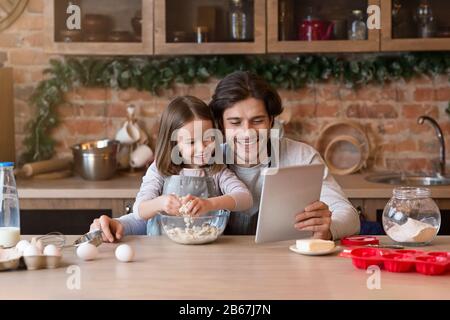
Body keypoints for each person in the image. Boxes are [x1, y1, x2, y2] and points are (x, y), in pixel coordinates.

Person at [90, 72, 360, 241]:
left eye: (257, 120)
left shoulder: (301, 156)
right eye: (235, 122)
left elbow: (348, 215)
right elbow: (154, 215)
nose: (247, 133)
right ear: (218, 123)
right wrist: (117, 225)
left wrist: (328, 228)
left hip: (282, 268)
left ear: (272, 120)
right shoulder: (202, 158)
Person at [97, 95, 253, 238]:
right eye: (191, 142)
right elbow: (139, 211)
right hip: (162, 253)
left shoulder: (216, 171)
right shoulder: (160, 170)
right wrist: (161, 203)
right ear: (174, 144)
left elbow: (245, 198)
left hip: (207, 253)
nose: (202, 148)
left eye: (209, 138)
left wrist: (210, 204)